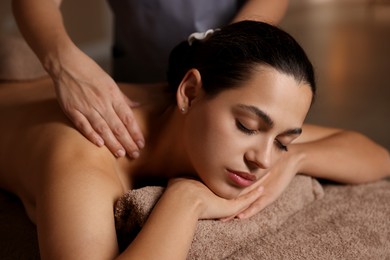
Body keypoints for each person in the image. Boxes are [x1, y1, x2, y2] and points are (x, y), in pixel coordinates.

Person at [0, 21, 389, 259]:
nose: (263, 160)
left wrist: (296, 160)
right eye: (248, 126)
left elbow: (376, 156)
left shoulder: (198, 112)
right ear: (188, 92)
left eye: (283, 141)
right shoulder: (84, 156)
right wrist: (186, 200)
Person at [11, 0, 289, 159]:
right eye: (245, 126)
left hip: (230, 66)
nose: (263, 161)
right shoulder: (90, 154)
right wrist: (63, 63)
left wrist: (230, 50)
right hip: (137, 65)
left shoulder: (250, 127)